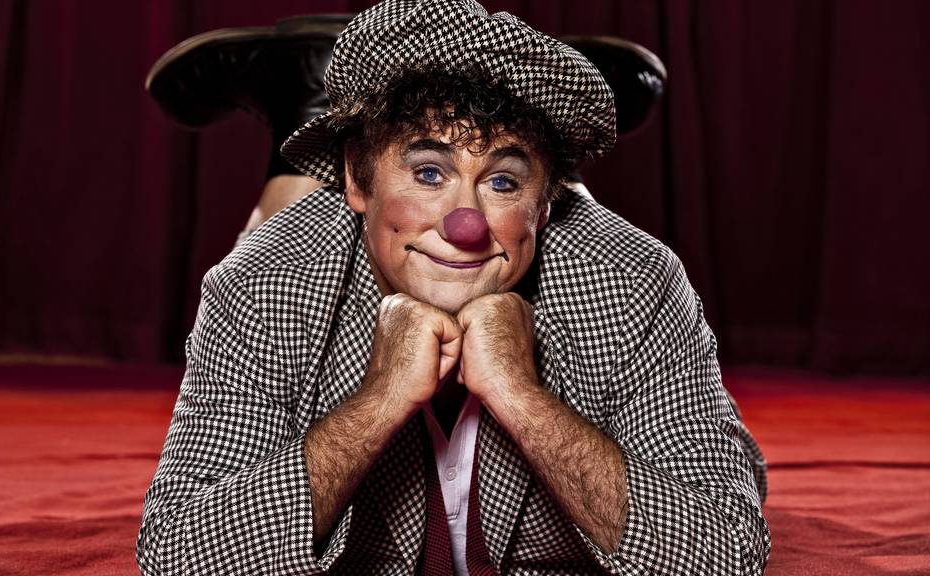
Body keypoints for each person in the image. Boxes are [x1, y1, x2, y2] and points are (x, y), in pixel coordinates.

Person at [136, 0, 770, 574]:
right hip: (328, 226)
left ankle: (537, 115)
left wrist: (523, 396)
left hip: (568, 237)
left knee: (551, 222)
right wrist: (379, 399)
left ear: (544, 204)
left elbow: (725, 551)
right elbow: (178, 554)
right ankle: (304, 96)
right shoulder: (264, 281)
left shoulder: (634, 281)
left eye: (502, 183)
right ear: (356, 175)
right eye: (428, 172)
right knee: (301, 226)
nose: (465, 224)